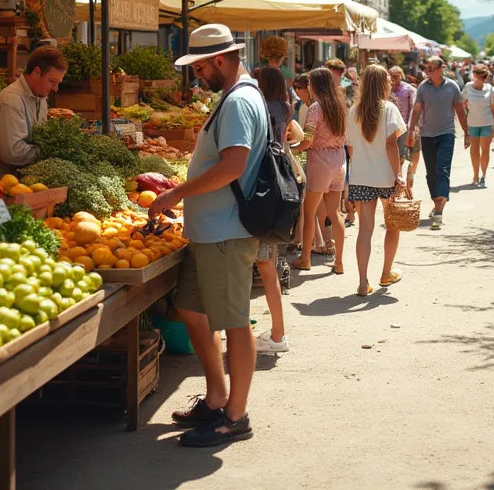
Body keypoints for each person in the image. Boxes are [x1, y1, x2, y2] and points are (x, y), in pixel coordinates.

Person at [147, 24, 265, 447]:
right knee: (191, 311)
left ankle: (235, 415)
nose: (196, 76)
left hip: (226, 232)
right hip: (211, 230)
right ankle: (216, 397)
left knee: (234, 321)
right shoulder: (234, 97)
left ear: (219, 60)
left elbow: (234, 165)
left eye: (199, 68)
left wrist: (176, 193)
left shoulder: (238, 102)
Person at [346, 65, 407, 296]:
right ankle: (386, 273)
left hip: (361, 178)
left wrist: (361, 166)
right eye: (388, 80)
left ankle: (363, 282)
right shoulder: (389, 109)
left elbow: (350, 147)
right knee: (392, 225)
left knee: (365, 229)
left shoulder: (354, 111)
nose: (391, 83)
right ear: (383, 84)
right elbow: (391, 145)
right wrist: (398, 173)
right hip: (386, 176)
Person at [253, 67, 303, 354]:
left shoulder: (261, 107)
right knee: (269, 264)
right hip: (281, 182)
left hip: (263, 185)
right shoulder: (285, 107)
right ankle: (277, 332)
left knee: (264, 265)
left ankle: (278, 335)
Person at [0, 47, 67, 177]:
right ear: (37, 72)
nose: (55, 88)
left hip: (14, 182)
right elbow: (12, 153)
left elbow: (40, 138)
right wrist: (51, 152)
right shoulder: (11, 101)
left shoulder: (40, 98)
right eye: (52, 81)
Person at [290, 68, 348, 273]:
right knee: (335, 212)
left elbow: (308, 140)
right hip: (339, 159)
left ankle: (305, 258)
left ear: (314, 86)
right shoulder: (340, 106)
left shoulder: (316, 108)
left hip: (320, 160)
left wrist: (294, 149)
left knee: (309, 211)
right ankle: (339, 262)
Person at [407, 56, 469, 230]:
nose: (428, 71)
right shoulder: (423, 87)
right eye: (427, 68)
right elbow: (417, 109)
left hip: (446, 134)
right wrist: (411, 131)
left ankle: (439, 211)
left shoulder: (452, 86)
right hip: (427, 135)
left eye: (432, 67)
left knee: (442, 170)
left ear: (442, 68)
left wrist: (466, 132)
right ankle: (437, 202)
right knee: (430, 173)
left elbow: (460, 111)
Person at [461, 64, 494, 187]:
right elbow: (462, 103)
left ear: (483, 77)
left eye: (479, 76)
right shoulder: (468, 87)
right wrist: (464, 117)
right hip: (472, 123)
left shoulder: (490, 89)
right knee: (474, 150)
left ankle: (483, 175)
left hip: (487, 123)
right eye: (475, 75)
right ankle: (475, 175)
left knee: (485, 150)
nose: (476, 78)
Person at [388, 66, 419, 194]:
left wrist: (411, 127)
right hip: (391, 127)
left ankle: (406, 183)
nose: (394, 80)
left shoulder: (409, 90)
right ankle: (397, 184)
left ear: (401, 76)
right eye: (392, 77)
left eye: (396, 76)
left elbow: (413, 108)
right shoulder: (387, 90)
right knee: (395, 156)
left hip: (405, 127)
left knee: (404, 156)